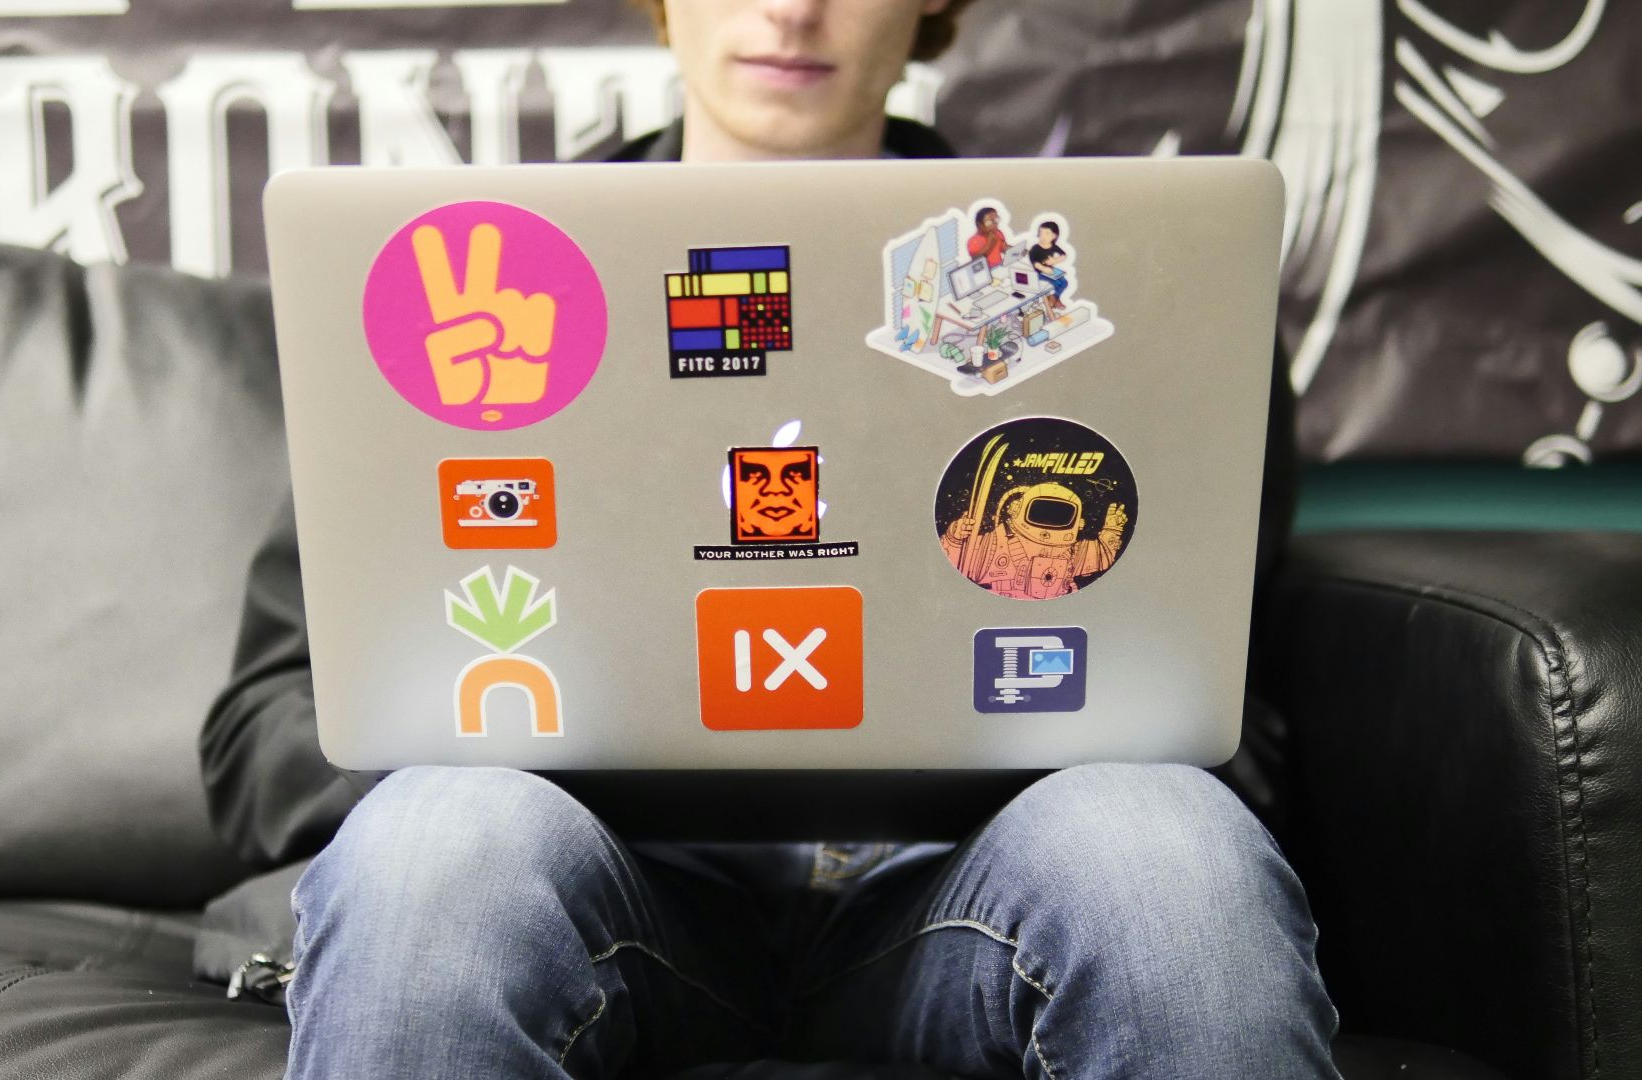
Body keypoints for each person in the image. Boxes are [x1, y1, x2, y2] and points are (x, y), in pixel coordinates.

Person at [200, 1, 1333, 1077]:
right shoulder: (468, 283)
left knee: (1163, 849)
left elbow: (1226, 709)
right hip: (603, 890)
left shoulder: (1128, 283)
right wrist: (516, 739)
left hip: (965, 890)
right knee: (438, 843)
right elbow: (265, 731)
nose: (793, 10)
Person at [1029, 221, 1071, 311]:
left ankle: (1054, 297)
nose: (1043, 236)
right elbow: (1035, 263)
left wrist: (1055, 260)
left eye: (1047, 233)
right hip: (1040, 273)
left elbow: (1064, 255)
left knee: (1064, 283)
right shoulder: (1035, 249)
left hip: (1051, 269)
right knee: (1056, 284)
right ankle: (1055, 300)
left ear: (1054, 236)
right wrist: (1043, 268)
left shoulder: (1052, 246)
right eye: (1041, 232)